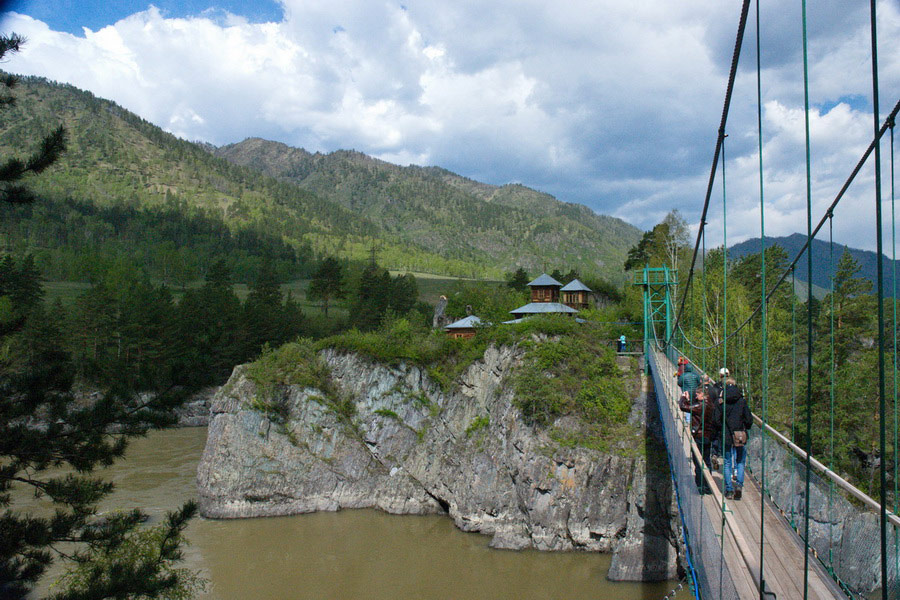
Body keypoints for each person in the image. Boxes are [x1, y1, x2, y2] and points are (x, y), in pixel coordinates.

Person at [714, 377, 753, 500]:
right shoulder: (742, 401)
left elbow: (716, 420)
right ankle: (739, 486)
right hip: (739, 435)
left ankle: (729, 490)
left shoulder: (721, 402)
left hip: (726, 436)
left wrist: (722, 429)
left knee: (726, 462)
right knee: (740, 461)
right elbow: (749, 419)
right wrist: (744, 427)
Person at [679, 386, 719, 494]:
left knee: (698, 462)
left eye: (698, 394)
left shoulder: (701, 406)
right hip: (708, 436)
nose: (696, 396)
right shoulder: (710, 405)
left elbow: (683, 407)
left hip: (699, 436)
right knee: (707, 462)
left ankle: (700, 487)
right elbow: (693, 407)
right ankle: (708, 486)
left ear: (703, 395)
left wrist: (683, 398)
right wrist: (689, 401)